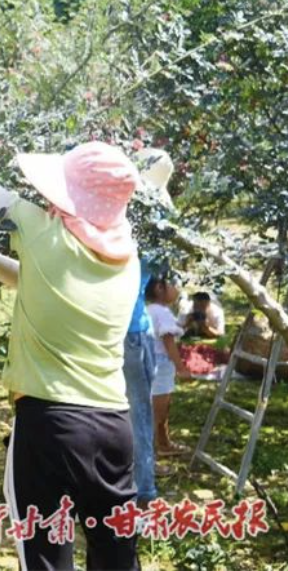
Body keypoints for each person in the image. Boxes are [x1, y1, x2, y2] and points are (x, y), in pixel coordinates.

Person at [0, 138, 142, 570]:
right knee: (116, 556)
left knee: (45, 559)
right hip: (113, 428)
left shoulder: (42, 230)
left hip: (51, 425)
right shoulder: (127, 259)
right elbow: (43, 280)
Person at [121, 147, 176, 506]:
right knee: (138, 413)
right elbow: (163, 289)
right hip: (132, 331)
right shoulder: (156, 227)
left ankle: (136, 487)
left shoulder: (114, 216)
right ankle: (142, 489)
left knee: (110, 411)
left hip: (108, 328)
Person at [145, 274, 191, 457]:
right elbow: (168, 342)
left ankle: (163, 443)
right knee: (159, 410)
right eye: (171, 285)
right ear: (159, 288)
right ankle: (151, 453)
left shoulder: (150, 310)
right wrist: (181, 368)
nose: (176, 289)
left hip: (150, 360)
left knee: (156, 407)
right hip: (162, 364)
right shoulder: (162, 312)